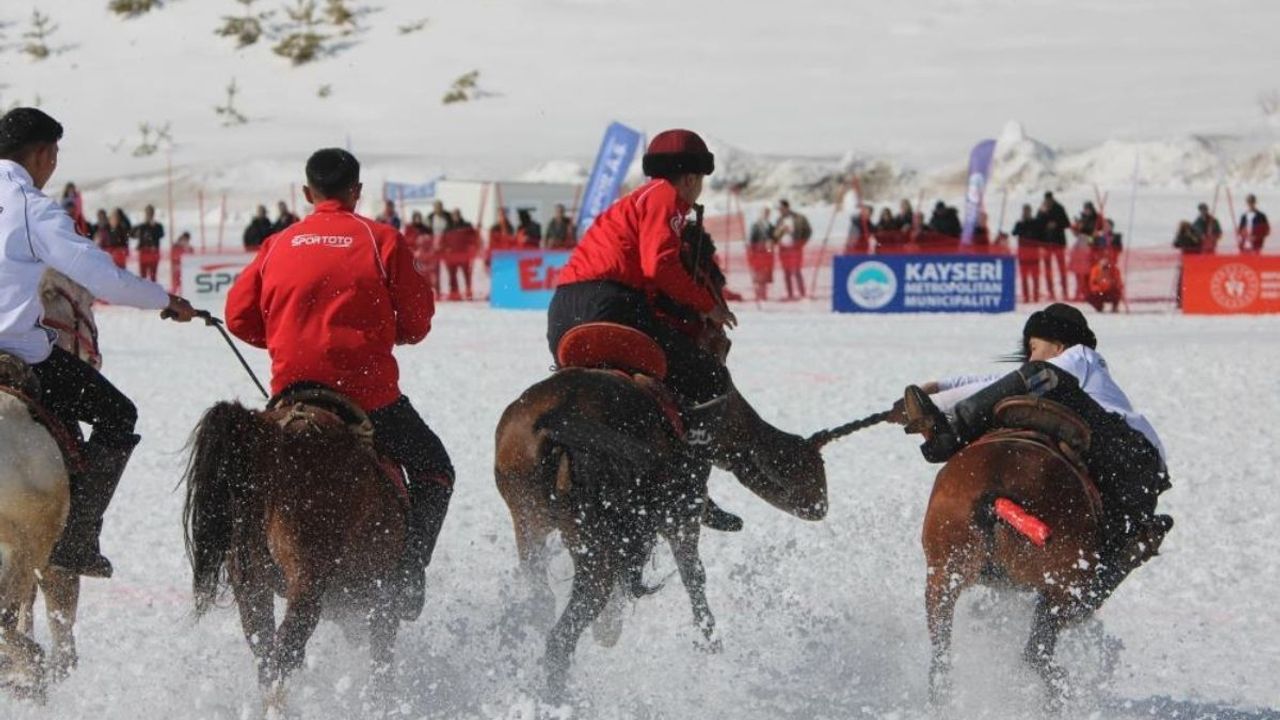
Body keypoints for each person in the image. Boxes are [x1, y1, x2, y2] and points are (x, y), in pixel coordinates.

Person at [225, 148, 452, 620]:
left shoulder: (278, 243)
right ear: (357, 191)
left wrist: (287, 338)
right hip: (369, 399)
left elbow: (238, 317)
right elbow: (417, 321)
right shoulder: (381, 239)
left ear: (308, 193)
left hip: (292, 394)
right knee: (435, 469)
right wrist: (389, 334)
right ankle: (408, 572)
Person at [0, 107, 198, 578]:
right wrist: (165, 299)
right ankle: (78, 537)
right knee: (117, 414)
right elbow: (102, 280)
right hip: (18, 351)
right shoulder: (30, 208)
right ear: (45, 154)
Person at [898, 303, 1171, 608]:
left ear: (1059, 345)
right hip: (1137, 478)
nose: (1030, 356)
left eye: (1034, 347)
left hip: (1131, 449)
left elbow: (1022, 378)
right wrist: (939, 387)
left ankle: (947, 433)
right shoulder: (1064, 370)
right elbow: (1001, 380)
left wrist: (940, 402)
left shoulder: (1081, 356)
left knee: (1035, 378)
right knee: (1093, 567)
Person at [546, 128, 740, 531]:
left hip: (564, 311)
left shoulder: (634, 201)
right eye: (700, 180)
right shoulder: (665, 198)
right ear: (689, 177)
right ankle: (693, 486)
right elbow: (660, 267)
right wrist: (709, 307)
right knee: (707, 377)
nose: (699, 189)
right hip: (610, 305)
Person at [774, 199, 811, 299]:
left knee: (797, 271)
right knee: (786, 272)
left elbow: (808, 231)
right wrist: (780, 231)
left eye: (782, 208)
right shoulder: (779, 220)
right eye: (779, 209)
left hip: (795, 249)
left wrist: (801, 243)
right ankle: (790, 294)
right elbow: (775, 236)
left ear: (787, 207)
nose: (780, 211)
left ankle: (802, 293)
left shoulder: (799, 218)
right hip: (783, 249)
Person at [1036, 192, 1071, 300]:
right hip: (1046, 245)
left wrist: (1056, 223)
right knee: (1047, 270)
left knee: (1062, 269)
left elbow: (1067, 223)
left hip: (1059, 243)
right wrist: (1042, 214)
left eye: (1050, 200)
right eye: (1047, 200)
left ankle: (1065, 292)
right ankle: (1051, 292)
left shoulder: (1059, 208)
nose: (1048, 202)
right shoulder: (1041, 210)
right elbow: (1037, 226)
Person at [1012, 204, 1044, 303]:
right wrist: (1021, 224)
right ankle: (1026, 296)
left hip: (1034, 253)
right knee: (1024, 276)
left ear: (1030, 212)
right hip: (1023, 254)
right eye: (1024, 211)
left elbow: (1040, 235)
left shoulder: (1036, 223)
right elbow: (1014, 233)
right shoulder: (1020, 223)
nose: (1026, 213)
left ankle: (1035, 296)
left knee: (1035, 276)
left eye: (1028, 211)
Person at [748, 206, 776, 301]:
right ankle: (758, 294)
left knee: (765, 275)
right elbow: (751, 240)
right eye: (764, 212)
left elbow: (774, 239)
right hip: (757, 254)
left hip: (767, 254)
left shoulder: (771, 226)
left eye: (767, 213)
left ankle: (763, 295)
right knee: (757, 274)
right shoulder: (755, 226)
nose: (766, 215)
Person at [132, 204, 165, 282]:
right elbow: (132, 234)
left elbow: (161, 234)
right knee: (143, 275)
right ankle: (143, 292)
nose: (149, 215)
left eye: (151, 213)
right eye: (148, 213)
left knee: (153, 275)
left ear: (153, 214)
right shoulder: (141, 226)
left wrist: (153, 228)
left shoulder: (158, 226)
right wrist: (137, 232)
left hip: (153, 252)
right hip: (143, 252)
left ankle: (153, 292)